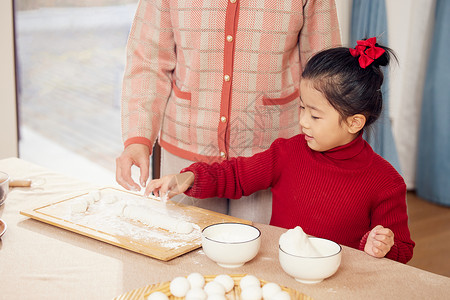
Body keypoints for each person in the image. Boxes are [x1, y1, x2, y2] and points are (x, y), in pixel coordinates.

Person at [146, 37, 415, 263]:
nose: (302, 121)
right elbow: (236, 175)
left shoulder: (386, 182)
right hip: (281, 276)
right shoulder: (288, 153)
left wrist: (382, 246)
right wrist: (188, 177)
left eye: (315, 116)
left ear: (354, 122)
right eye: (302, 108)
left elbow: (403, 250)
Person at [115, 0, 341, 224]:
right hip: (187, 147)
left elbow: (326, 71)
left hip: (269, 157)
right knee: (183, 250)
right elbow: (148, 61)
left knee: (265, 252)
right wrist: (138, 139)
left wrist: (325, 154)